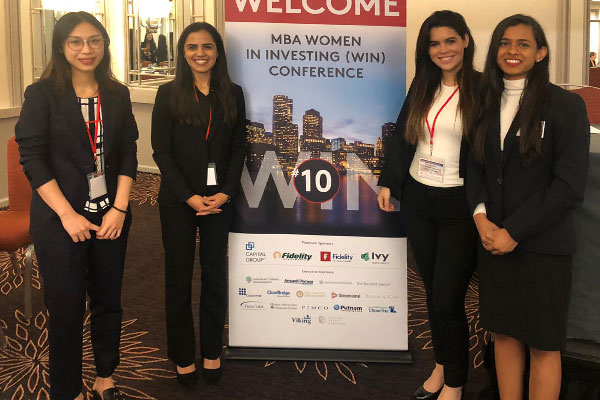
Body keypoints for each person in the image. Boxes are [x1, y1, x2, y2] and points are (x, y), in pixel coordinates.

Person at [15, 11, 138, 400]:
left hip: (110, 214)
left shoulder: (116, 94)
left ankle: (106, 375)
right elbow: (32, 158)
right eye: (76, 42)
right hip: (59, 219)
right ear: (62, 46)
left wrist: (118, 209)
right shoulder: (42, 95)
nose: (87, 50)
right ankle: (66, 390)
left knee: (107, 298)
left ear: (104, 45)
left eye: (94, 41)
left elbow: (129, 154)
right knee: (66, 308)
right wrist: (68, 215)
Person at [467, 14, 589, 400]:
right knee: (503, 335)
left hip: (542, 245)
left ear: (541, 52)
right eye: (505, 43)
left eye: (523, 44)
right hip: (493, 241)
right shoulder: (483, 101)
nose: (512, 51)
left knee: (543, 344)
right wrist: (481, 217)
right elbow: (472, 167)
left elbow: (568, 187)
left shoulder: (566, 106)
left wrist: (513, 232)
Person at [377, 10, 479, 400]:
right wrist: (389, 180)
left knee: (448, 297)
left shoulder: (482, 89)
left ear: (466, 41)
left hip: (460, 203)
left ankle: (455, 382)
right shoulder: (423, 83)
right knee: (431, 289)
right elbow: (404, 137)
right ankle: (441, 364)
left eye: (450, 40)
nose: (443, 50)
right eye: (434, 43)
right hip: (420, 199)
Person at [151, 22, 246, 388]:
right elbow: (161, 151)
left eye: (207, 46)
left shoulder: (232, 94)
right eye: (192, 47)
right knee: (177, 277)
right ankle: (183, 355)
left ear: (217, 52)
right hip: (178, 200)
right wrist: (188, 196)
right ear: (183, 53)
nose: (200, 53)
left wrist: (225, 192)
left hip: (219, 200)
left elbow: (239, 147)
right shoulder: (168, 93)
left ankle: (211, 350)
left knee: (213, 276)